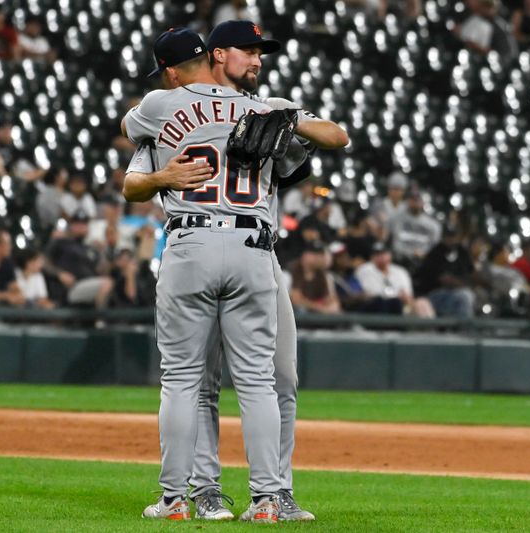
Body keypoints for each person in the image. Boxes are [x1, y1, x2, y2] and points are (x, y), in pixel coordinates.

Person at [124, 21, 346, 522]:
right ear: (216, 55)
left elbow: (128, 137)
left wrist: (166, 167)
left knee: (183, 379)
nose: (257, 59)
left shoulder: (161, 107)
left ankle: (176, 497)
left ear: (173, 71)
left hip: (192, 240)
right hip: (250, 243)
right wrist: (285, 118)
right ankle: (259, 497)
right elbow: (337, 136)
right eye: (248, 51)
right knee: (256, 381)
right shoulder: (264, 109)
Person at [45, 211, 113, 309]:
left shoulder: (91, 248)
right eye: (77, 224)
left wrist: (102, 252)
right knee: (106, 284)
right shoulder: (61, 242)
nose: (81, 227)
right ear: (71, 226)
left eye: (84, 224)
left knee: (109, 284)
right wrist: (59, 274)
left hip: (89, 288)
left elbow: (103, 271)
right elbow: (44, 263)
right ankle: (100, 322)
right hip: (70, 289)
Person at [356, 241, 434, 317]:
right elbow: (372, 294)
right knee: (390, 302)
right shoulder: (365, 270)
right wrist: (398, 296)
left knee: (422, 302)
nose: (381, 257)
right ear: (372, 256)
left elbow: (408, 295)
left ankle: (430, 328)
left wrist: (406, 299)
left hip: (402, 306)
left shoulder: (400, 271)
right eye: (377, 254)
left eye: (383, 253)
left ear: (390, 255)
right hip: (377, 306)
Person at [415, 227, 476, 318]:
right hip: (435, 293)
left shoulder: (462, 252)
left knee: (469, 295)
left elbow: (471, 273)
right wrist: (459, 282)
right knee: (464, 297)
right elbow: (442, 279)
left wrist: (463, 282)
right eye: (448, 237)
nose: (451, 240)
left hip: (458, 291)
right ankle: (466, 329)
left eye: (453, 237)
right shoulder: (435, 253)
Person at [388, 188, 441, 269]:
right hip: (402, 260)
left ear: (423, 202)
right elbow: (396, 244)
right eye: (412, 200)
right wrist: (411, 253)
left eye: (418, 200)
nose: (415, 203)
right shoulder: (398, 220)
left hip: (425, 262)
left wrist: (423, 252)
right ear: (408, 201)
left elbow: (434, 245)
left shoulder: (433, 225)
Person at [289, 240, 341, 314]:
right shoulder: (290, 272)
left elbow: (332, 301)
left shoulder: (325, 275)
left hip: (320, 315)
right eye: (316, 254)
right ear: (305, 255)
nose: (319, 258)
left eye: (321, 254)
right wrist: (318, 307)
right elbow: (295, 300)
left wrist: (328, 308)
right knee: (300, 309)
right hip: (296, 317)